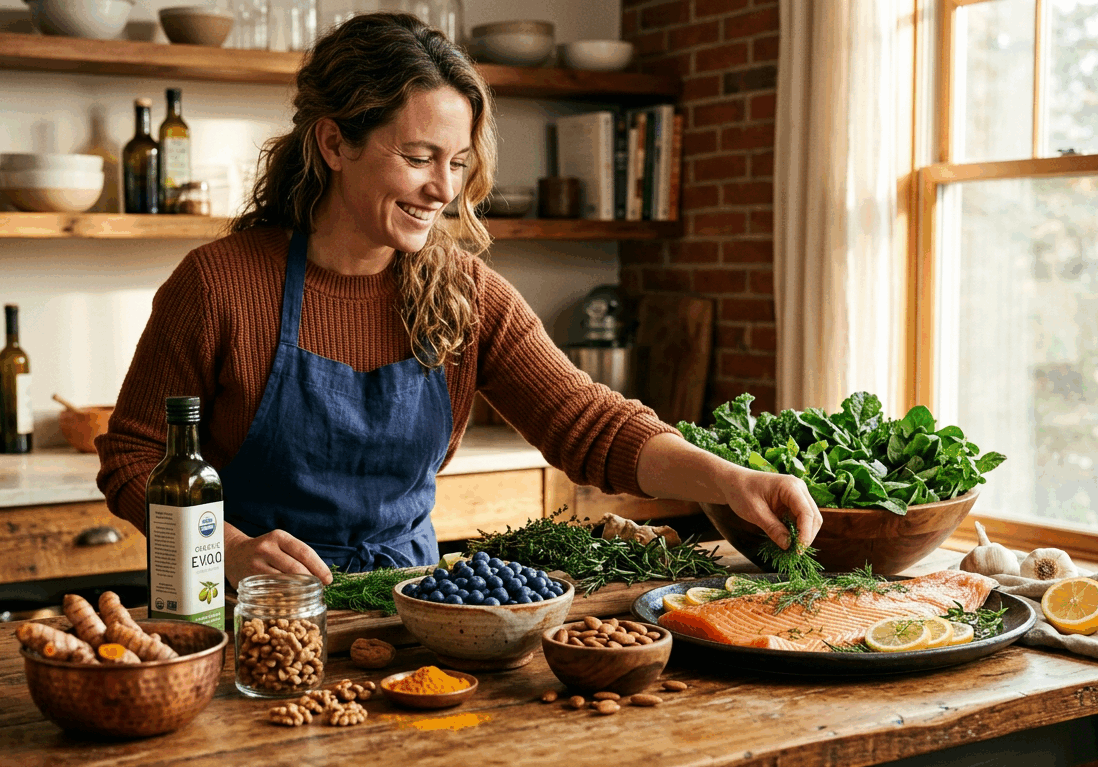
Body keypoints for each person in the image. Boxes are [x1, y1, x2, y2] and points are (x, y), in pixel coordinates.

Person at [95, 12, 821, 590]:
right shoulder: (220, 285)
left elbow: (588, 422)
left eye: (459, 163)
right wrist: (229, 551)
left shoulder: (465, 294)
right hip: (255, 613)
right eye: (418, 158)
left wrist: (731, 479)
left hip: (416, 610)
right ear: (333, 143)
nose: (443, 190)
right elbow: (133, 456)